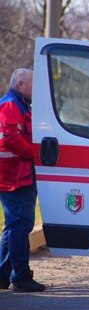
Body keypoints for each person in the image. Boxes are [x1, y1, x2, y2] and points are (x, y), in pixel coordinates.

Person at [0, 68, 45, 292]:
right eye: (32, 85)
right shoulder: (11, 105)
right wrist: (35, 154)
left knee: (14, 226)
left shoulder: (19, 105)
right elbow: (9, 138)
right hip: (13, 177)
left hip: (18, 175)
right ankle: (20, 276)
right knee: (20, 226)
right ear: (20, 85)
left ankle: (3, 274)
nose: (35, 90)